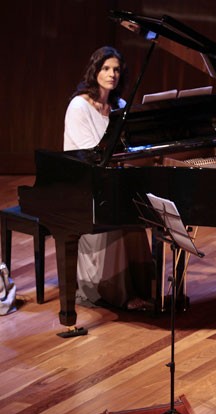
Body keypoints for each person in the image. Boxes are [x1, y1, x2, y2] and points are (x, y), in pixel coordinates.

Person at [63, 46, 154, 328]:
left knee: (137, 212)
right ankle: (115, 292)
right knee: (116, 214)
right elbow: (88, 154)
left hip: (110, 179)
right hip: (83, 184)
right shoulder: (79, 105)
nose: (111, 74)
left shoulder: (120, 106)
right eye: (106, 69)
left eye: (116, 70)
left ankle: (142, 289)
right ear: (95, 71)